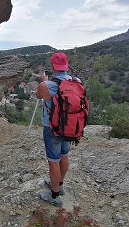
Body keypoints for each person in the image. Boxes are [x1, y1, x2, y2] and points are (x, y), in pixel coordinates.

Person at [36, 52, 77, 207]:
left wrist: (43, 81)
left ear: (53, 66)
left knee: (53, 161)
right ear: (66, 66)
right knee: (64, 155)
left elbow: (39, 97)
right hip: (70, 127)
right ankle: (59, 185)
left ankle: (54, 196)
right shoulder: (75, 82)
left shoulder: (46, 85)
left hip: (52, 129)